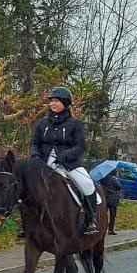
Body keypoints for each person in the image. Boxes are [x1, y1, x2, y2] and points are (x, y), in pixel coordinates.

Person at [29, 86, 99, 234]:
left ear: (65, 103)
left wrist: (66, 154)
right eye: (51, 101)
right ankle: (28, 222)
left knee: (87, 183)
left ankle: (91, 219)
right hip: (43, 163)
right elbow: (34, 143)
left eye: (56, 101)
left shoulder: (75, 124)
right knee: (26, 185)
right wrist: (35, 155)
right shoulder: (42, 123)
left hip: (69, 163)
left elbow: (81, 146)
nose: (52, 104)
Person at [101, 169, 123, 235]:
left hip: (105, 198)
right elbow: (119, 187)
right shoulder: (114, 178)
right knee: (112, 215)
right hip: (113, 198)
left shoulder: (103, 178)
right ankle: (110, 230)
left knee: (104, 214)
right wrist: (117, 180)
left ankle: (103, 228)